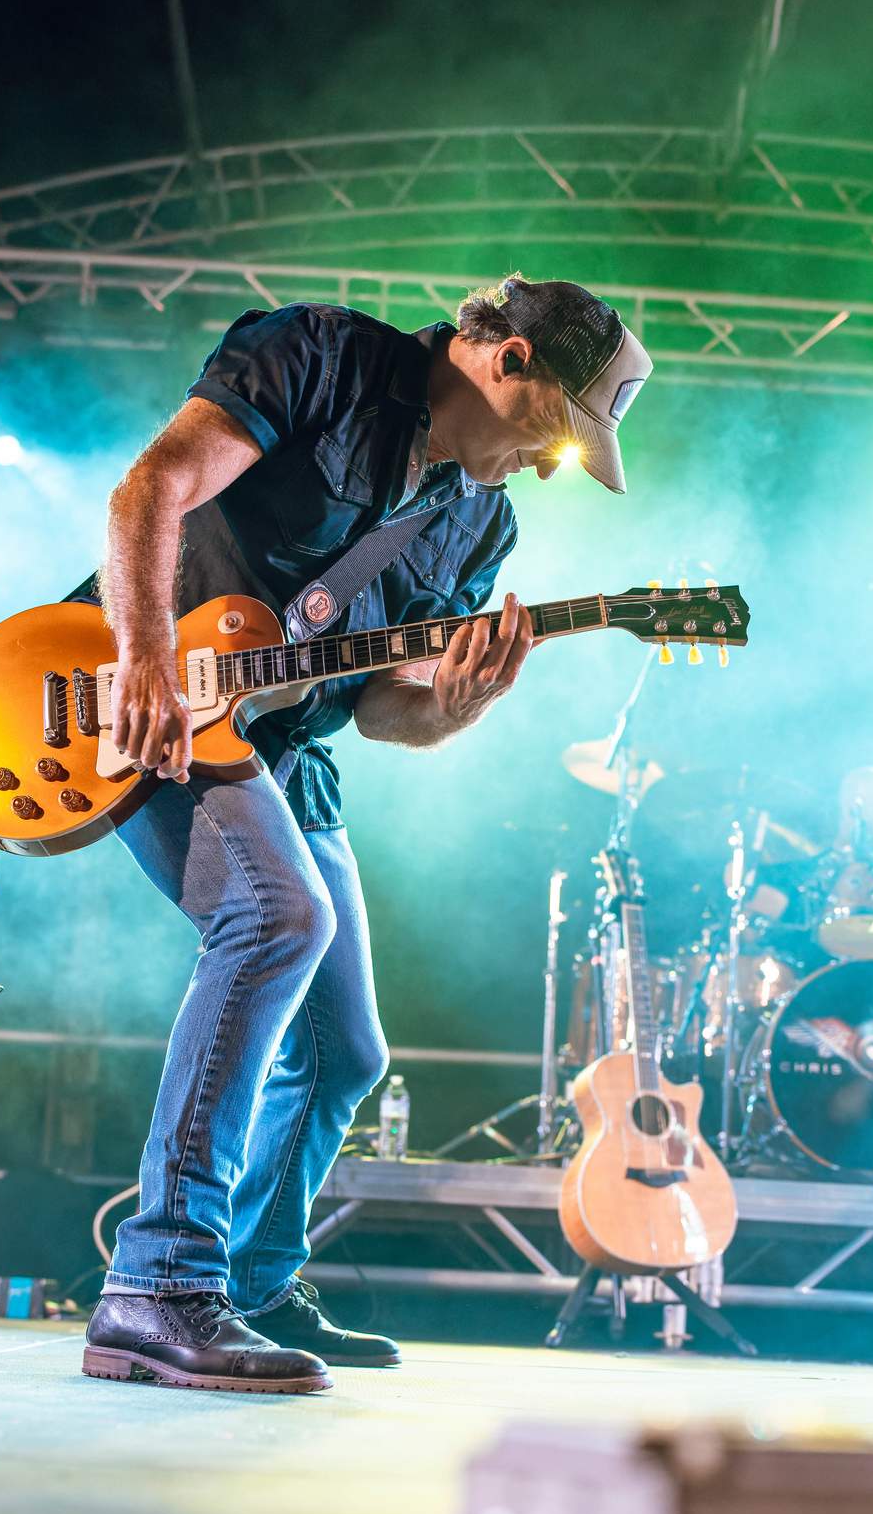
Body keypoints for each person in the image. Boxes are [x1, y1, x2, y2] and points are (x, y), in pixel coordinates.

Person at [82, 275, 652, 1394]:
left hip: (288, 745)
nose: (550, 464)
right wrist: (145, 657)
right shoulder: (321, 356)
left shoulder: (481, 521)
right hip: (138, 699)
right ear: (509, 360)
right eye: (555, 432)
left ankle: (249, 1284)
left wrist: (463, 700)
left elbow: (389, 706)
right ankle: (155, 1283)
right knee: (274, 915)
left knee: (346, 1050)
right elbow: (148, 488)